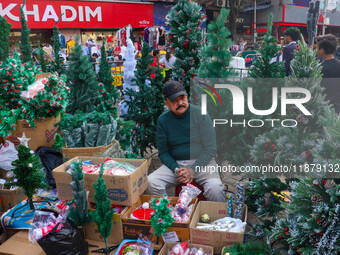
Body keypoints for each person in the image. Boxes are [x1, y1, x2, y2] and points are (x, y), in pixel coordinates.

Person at [146, 81, 226, 202]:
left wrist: (193, 169)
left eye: (182, 98)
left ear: (187, 96)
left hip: (203, 162)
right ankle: (166, 213)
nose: (180, 103)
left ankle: (218, 218)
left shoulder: (200, 114)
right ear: (166, 103)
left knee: (215, 188)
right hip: (176, 164)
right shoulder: (163, 120)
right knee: (151, 182)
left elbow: (210, 148)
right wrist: (176, 169)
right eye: (174, 100)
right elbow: (163, 153)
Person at [317, 34, 340, 113]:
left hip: (324, 108)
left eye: (317, 48)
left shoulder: (319, 68)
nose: (316, 50)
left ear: (322, 49)